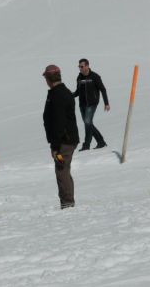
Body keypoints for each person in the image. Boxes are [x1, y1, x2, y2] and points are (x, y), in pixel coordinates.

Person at [43, 65, 79, 209]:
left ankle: (67, 203)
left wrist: (55, 145)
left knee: (62, 170)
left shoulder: (58, 94)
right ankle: (67, 201)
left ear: (48, 79)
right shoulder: (61, 92)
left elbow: (59, 121)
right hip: (67, 139)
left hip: (64, 140)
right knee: (64, 170)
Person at [74, 58, 110, 151]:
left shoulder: (95, 76)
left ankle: (86, 145)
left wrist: (106, 103)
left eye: (82, 66)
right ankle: (101, 141)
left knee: (87, 122)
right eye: (79, 66)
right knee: (88, 123)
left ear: (87, 66)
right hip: (82, 104)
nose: (80, 68)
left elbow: (103, 89)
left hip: (92, 103)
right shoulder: (79, 78)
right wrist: (70, 96)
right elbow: (78, 91)